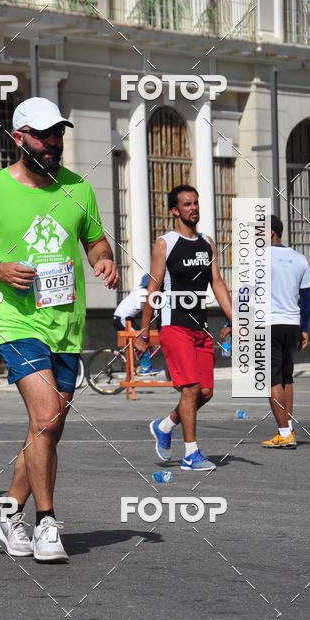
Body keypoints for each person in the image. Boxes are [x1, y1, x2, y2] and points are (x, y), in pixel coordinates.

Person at [0, 97, 119, 562]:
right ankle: (46, 522)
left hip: (65, 324)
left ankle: (7, 511)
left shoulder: (78, 188)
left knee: (49, 427)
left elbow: (95, 241)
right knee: (46, 415)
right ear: (19, 137)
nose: (52, 143)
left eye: (57, 134)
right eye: (43, 135)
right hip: (15, 319)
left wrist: (105, 261)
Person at [134, 185, 231, 471]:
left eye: (196, 203)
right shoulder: (165, 244)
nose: (194, 208)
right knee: (190, 388)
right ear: (175, 211)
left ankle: (164, 425)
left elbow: (217, 283)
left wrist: (236, 319)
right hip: (173, 324)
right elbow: (153, 288)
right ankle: (191, 454)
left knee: (205, 392)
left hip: (200, 326)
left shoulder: (207, 243)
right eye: (187, 204)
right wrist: (144, 333)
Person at [261, 214, 310, 448]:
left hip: (269, 323)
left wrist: (232, 322)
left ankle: (284, 434)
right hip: (292, 324)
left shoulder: (259, 258)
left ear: (270, 232)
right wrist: (304, 328)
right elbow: (307, 297)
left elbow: (246, 294)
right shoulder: (299, 258)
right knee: (287, 377)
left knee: (272, 379)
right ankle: (288, 428)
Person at [113, 274, 162, 375]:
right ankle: (145, 368)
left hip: (122, 318)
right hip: (123, 319)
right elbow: (157, 311)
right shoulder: (147, 293)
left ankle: (130, 355)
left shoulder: (139, 292)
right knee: (142, 338)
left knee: (141, 337)